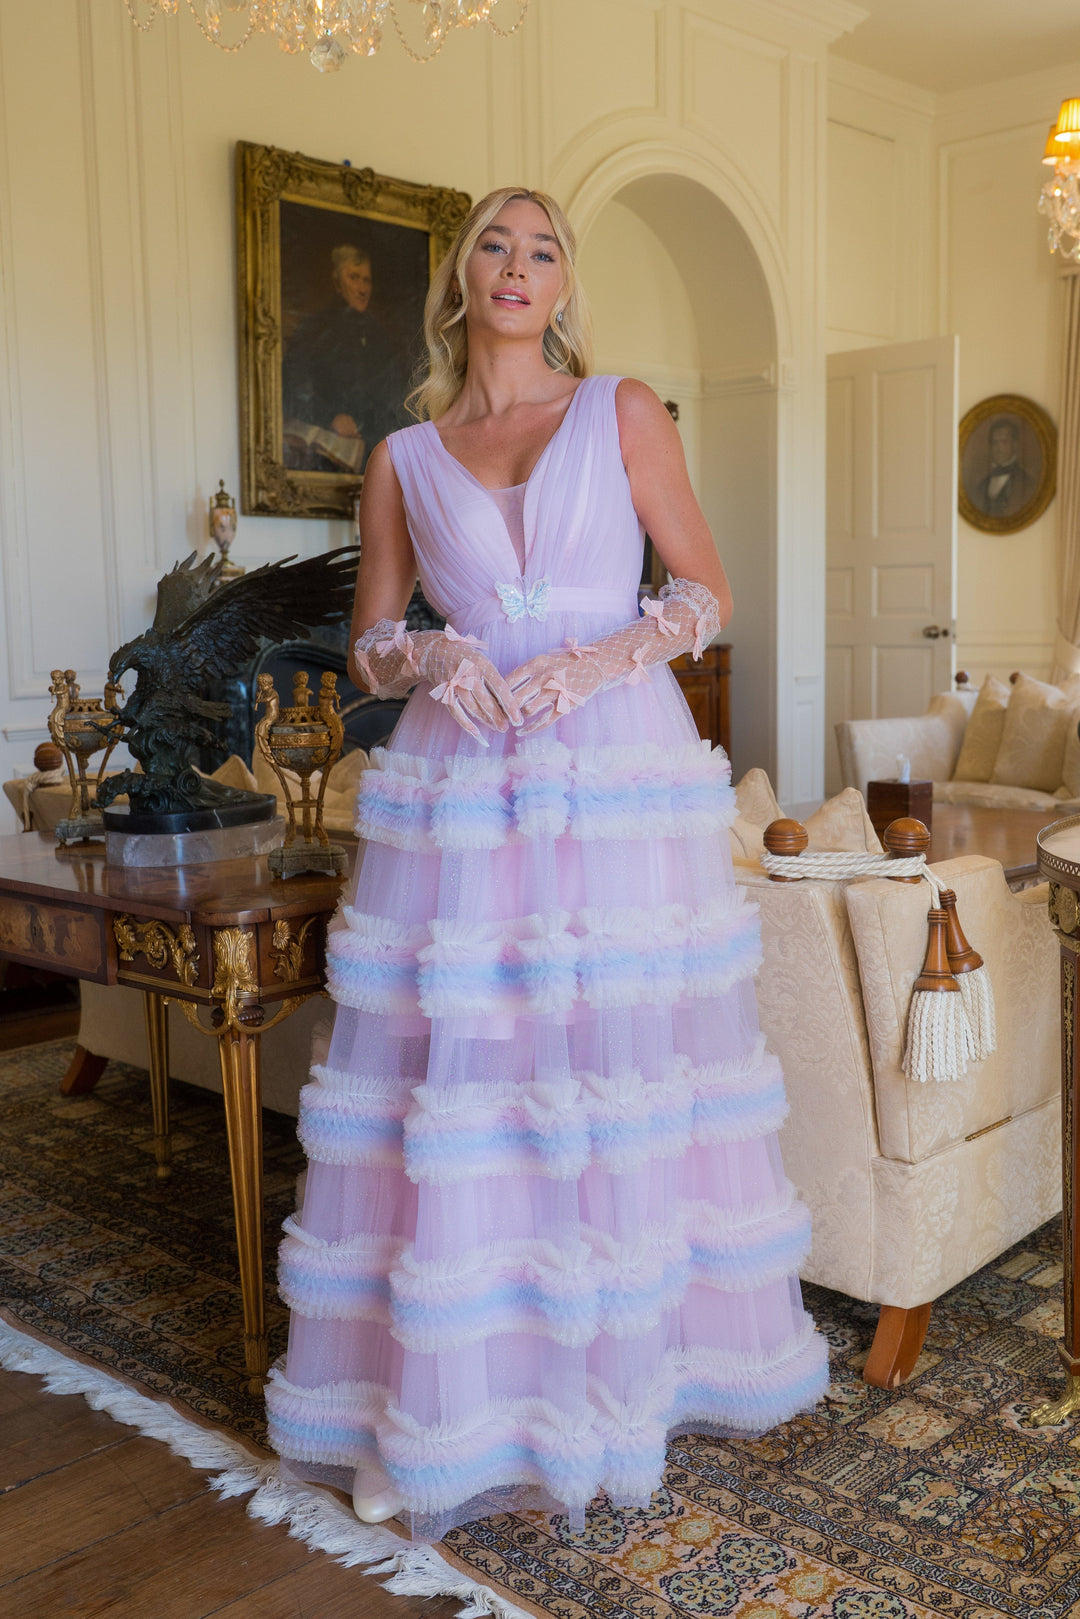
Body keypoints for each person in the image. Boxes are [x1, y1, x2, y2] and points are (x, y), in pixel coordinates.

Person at [265, 186, 828, 1539]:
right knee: (466, 1080)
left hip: (613, 768)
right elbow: (370, 644)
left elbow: (705, 592)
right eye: (495, 247)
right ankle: (441, 1409)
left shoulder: (620, 409)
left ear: (565, 282)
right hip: (463, 782)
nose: (518, 268)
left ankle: (626, 1381)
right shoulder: (404, 456)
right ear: (460, 278)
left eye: (543, 249)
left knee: (609, 1071)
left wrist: (595, 659)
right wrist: (434, 653)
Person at [282, 244, 407, 472]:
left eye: (366, 280)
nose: (362, 289)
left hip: (372, 445)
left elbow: (391, 398)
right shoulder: (314, 328)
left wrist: (372, 430)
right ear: (337, 283)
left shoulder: (379, 337)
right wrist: (331, 417)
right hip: (325, 445)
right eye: (354, 278)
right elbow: (293, 389)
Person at [973, 417, 1035, 518]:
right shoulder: (981, 486)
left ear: (1014, 445)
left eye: (1004, 442)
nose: (998, 448)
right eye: (995, 442)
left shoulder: (1027, 483)